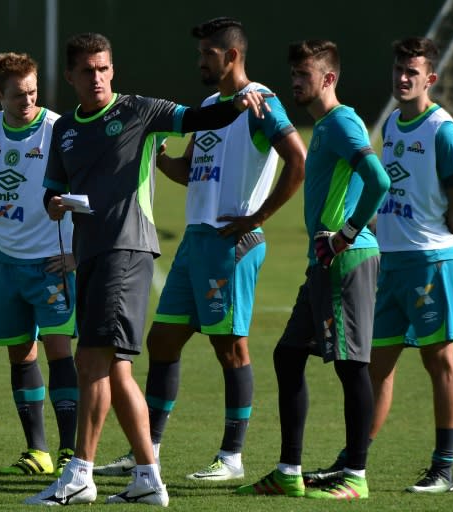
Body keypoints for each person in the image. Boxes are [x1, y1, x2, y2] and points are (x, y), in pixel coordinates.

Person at [24, 32, 271, 507]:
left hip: (126, 250)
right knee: (115, 369)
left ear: (112, 69)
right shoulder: (65, 130)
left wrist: (238, 100)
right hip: (90, 252)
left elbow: (198, 117)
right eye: (87, 71)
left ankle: (80, 474)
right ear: (70, 76)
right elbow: (51, 186)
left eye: (103, 68)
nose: (96, 77)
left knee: (92, 361)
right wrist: (53, 203)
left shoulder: (139, 110)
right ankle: (148, 478)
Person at [93, 17, 306, 482]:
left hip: (231, 243)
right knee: (162, 341)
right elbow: (191, 171)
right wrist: (161, 157)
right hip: (195, 241)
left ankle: (232, 457)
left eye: (207, 54)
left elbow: (297, 159)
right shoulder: (212, 105)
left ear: (231, 56)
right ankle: (146, 447)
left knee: (230, 346)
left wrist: (257, 218)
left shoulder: (261, 102)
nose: (200, 62)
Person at [303, 37, 453, 495]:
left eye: (412, 72)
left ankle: (444, 468)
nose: (402, 78)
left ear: (429, 78)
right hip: (389, 263)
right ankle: (352, 461)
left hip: (431, 261)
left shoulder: (442, 129)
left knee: (440, 362)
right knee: (376, 367)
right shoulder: (394, 124)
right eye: (398, 69)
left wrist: (441, 239)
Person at [235, 40, 390, 500]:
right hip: (321, 264)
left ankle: (356, 477)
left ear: (329, 79)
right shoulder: (325, 124)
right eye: (294, 75)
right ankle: (288, 471)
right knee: (288, 355)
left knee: (351, 367)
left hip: (345, 260)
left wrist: (345, 234)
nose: (295, 82)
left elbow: (378, 181)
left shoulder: (341, 123)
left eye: (304, 75)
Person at [0, 52, 78, 476]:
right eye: (17, 95)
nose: (27, 101)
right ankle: (38, 451)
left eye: (32, 92)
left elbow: (88, 187)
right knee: (20, 356)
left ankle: (69, 451)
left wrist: (77, 253)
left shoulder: (58, 129)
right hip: (4, 262)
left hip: (50, 262)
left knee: (59, 352)